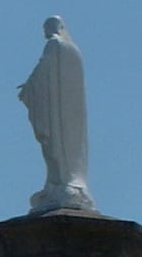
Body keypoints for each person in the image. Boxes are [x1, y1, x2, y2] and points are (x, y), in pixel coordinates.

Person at [18, 15, 96, 213]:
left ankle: (64, 184)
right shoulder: (73, 50)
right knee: (65, 149)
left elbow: (44, 72)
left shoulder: (55, 45)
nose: (46, 31)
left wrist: (29, 88)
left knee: (56, 148)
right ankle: (65, 184)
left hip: (57, 112)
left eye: (49, 27)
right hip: (68, 112)